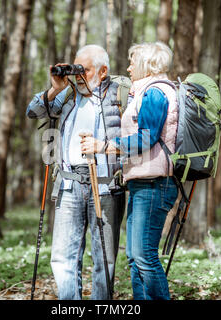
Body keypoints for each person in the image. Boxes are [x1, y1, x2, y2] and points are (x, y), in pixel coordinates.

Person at [26, 44, 126, 300]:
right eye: (75, 68)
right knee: (63, 257)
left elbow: (140, 140)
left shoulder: (121, 95)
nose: (77, 75)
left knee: (105, 259)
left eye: (85, 70)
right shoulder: (68, 94)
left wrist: (106, 148)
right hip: (69, 185)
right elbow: (33, 112)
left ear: (103, 72)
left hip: (105, 186)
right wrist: (56, 88)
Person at [81, 42, 178, 300]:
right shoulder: (144, 91)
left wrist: (105, 146)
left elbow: (147, 138)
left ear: (146, 65)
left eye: (132, 63)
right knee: (135, 258)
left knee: (145, 256)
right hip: (141, 183)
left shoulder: (155, 93)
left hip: (155, 184)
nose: (128, 68)